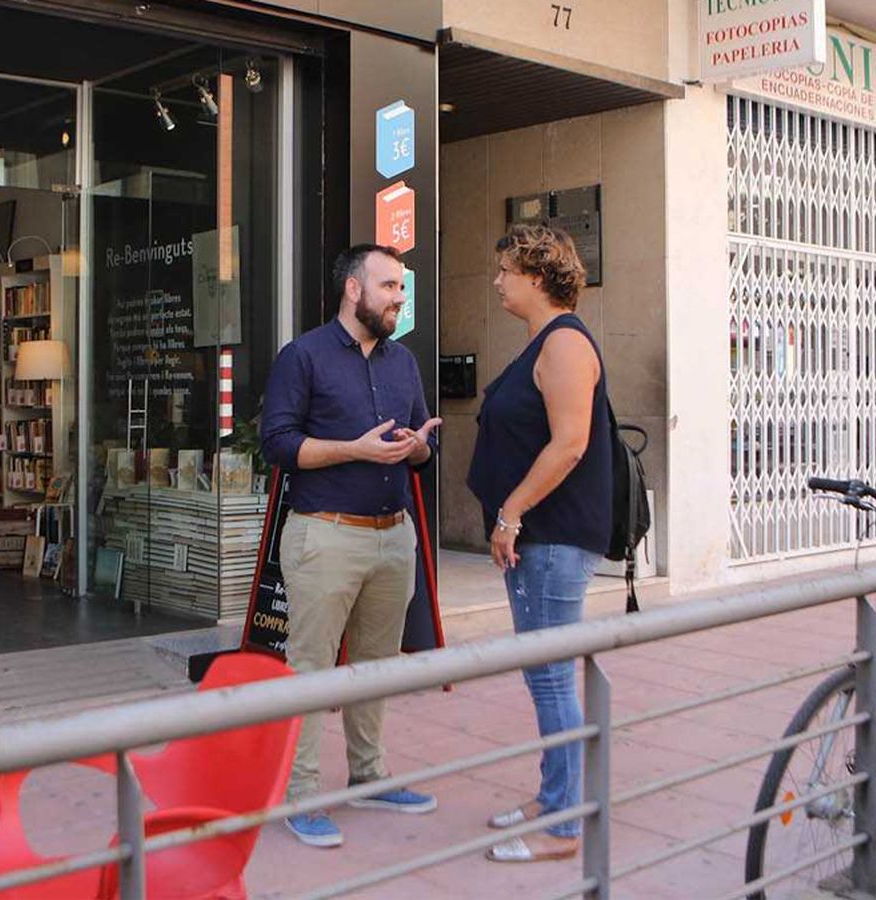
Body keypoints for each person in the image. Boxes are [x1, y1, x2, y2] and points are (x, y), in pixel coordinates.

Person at [260, 243, 442, 848]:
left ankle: (369, 776)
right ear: (354, 290)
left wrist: (418, 447)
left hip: (393, 536)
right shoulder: (303, 356)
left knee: (377, 665)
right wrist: (354, 450)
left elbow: (423, 450)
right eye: (389, 286)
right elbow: (278, 444)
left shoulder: (403, 362)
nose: (399, 299)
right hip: (325, 534)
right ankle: (301, 795)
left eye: (402, 288)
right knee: (310, 669)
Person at [467, 224, 612, 864]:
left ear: (536, 276)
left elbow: (570, 443)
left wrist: (512, 513)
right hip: (539, 538)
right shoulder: (542, 342)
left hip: (552, 537)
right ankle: (556, 796)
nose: (498, 281)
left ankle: (562, 824)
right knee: (544, 676)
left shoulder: (565, 343)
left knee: (551, 678)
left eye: (506, 270)